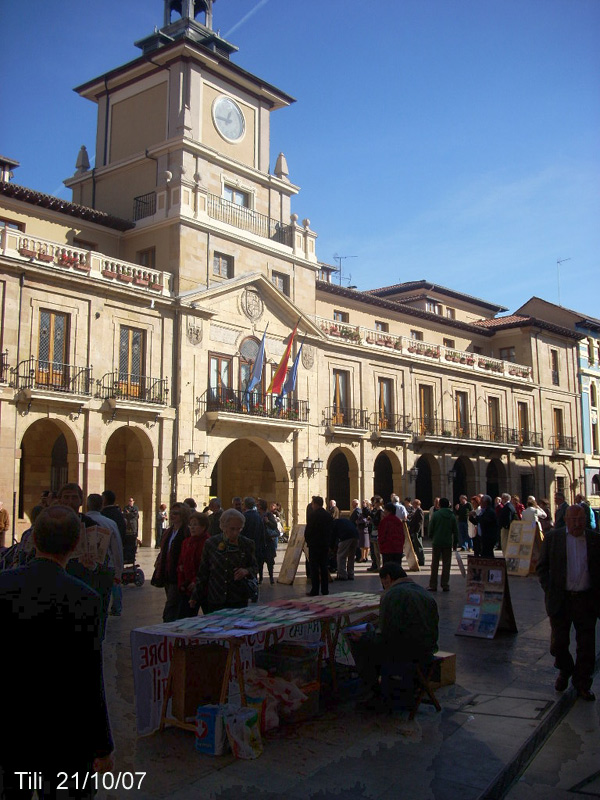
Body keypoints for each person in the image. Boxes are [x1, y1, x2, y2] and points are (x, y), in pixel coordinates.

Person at [0, 505, 114, 797]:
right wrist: (102, 746)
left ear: (34, 540)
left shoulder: (4, 585)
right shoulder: (85, 598)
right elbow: (90, 677)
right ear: (76, 544)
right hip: (65, 732)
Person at [346, 562, 439, 707]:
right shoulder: (424, 593)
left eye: (383, 582)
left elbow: (386, 638)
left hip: (408, 655)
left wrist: (364, 637)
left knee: (360, 642)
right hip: (428, 651)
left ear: (387, 578)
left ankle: (371, 691)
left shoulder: (391, 595)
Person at [536, 504, 600, 701]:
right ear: (566, 520)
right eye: (573, 520)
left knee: (587, 646)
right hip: (561, 600)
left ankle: (582, 683)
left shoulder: (595, 540)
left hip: (586, 600)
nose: (577, 524)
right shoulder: (554, 539)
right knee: (558, 645)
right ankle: (566, 669)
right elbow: (542, 567)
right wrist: (550, 589)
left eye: (580, 520)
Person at [192, 508, 258, 613]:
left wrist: (246, 571)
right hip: (216, 597)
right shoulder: (211, 543)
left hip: (238, 598)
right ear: (223, 527)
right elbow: (203, 572)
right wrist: (195, 596)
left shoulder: (247, 544)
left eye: (239, 529)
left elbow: (254, 567)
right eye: (232, 529)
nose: (236, 532)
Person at [86, 493, 124, 634]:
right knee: (102, 605)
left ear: (87, 504)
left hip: (84, 568)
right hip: (105, 568)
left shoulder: (80, 521)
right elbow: (117, 549)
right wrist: (118, 571)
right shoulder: (110, 523)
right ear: (101, 505)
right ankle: (99, 635)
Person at [153, 502, 191, 622]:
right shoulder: (169, 531)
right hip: (167, 572)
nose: (173, 516)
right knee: (173, 601)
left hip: (178, 574)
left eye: (176, 513)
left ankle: (168, 625)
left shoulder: (186, 532)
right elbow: (165, 549)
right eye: (172, 513)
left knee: (171, 605)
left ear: (183, 515)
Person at [178, 511, 210, 617]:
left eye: (195, 524)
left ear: (203, 526)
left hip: (205, 589)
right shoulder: (186, 543)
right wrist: (182, 583)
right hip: (188, 588)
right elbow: (181, 564)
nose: (192, 527)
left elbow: (208, 566)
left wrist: (196, 581)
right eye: (190, 525)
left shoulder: (209, 543)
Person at [101, 490, 127, 617]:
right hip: (118, 548)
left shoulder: (104, 515)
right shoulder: (119, 513)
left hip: (105, 554)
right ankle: (117, 606)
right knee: (116, 581)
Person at [304, 496, 335, 596]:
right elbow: (331, 531)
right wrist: (330, 544)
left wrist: (308, 542)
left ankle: (315, 590)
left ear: (316, 504)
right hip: (324, 545)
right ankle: (325, 590)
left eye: (312, 503)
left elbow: (308, 531)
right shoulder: (327, 515)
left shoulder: (312, 515)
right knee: (324, 567)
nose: (312, 505)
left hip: (314, 545)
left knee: (314, 568)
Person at [428, 498, 458, 592]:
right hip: (447, 542)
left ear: (440, 505)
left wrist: (431, 536)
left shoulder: (436, 515)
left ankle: (433, 585)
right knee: (446, 564)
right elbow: (455, 531)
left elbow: (431, 527)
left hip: (437, 542)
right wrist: (455, 543)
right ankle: (445, 584)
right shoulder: (452, 516)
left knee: (435, 564)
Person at [258, 498, 278, 584]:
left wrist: (268, 522)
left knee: (269, 561)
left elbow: (274, 525)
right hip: (261, 541)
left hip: (268, 541)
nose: (257, 506)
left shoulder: (269, 514)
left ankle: (271, 578)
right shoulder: (257, 514)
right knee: (260, 561)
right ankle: (261, 578)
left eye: (258, 505)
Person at [333, 516, 359, 581]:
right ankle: (351, 574)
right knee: (351, 556)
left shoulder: (333, 524)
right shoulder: (343, 520)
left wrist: (332, 547)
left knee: (341, 556)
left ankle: (342, 575)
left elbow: (333, 537)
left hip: (346, 537)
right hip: (355, 536)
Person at [367, 495, 383, 572]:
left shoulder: (380, 511)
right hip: (374, 532)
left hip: (377, 533)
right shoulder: (376, 511)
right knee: (374, 551)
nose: (373, 504)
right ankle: (376, 565)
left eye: (375, 502)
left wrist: (372, 518)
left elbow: (379, 522)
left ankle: (379, 566)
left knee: (378, 551)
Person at [408, 499, 425, 566]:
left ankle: (421, 560)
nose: (412, 505)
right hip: (414, 531)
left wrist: (416, 531)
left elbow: (420, 522)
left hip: (416, 531)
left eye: (414, 503)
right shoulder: (416, 511)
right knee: (416, 546)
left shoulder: (419, 511)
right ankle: (419, 559)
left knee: (418, 546)